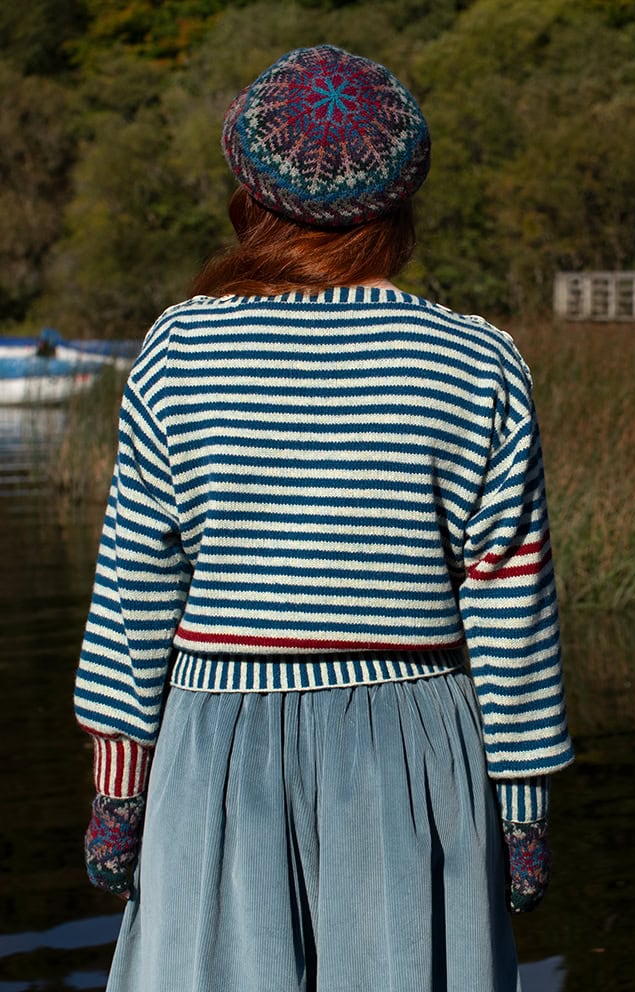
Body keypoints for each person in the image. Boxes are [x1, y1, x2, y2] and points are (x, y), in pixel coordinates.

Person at [75, 44, 574, 992]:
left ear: (250, 188)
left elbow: (133, 591)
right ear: (401, 196)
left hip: (215, 744)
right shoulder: (476, 362)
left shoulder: (182, 348)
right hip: (414, 751)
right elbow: (512, 611)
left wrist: (118, 796)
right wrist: (519, 808)